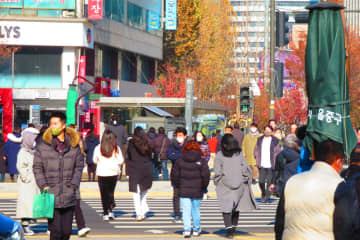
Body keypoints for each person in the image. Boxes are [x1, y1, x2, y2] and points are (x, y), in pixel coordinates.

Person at [275, 140, 360, 240]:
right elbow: (345, 227)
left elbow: (280, 223)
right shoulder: (339, 185)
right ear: (338, 161)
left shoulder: (291, 182)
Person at [33, 112, 84, 240]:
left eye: (55, 124)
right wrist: (43, 185)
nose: (52, 127)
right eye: (51, 124)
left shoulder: (73, 145)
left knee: (66, 232)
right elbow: (37, 167)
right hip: (51, 194)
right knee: (56, 233)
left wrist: (74, 184)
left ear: (63, 125)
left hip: (68, 194)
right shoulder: (43, 145)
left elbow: (79, 166)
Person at [214, 134, 257, 239]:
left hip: (224, 185)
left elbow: (217, 172)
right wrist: (246, 178)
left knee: (226, 208)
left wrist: (217, 181)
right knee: (236, 208)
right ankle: (233, 228)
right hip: (239, 185)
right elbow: (245, 168)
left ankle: (229, 231)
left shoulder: (219, 155)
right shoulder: (239, 154)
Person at [171, 140, 210, 238]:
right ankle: (196, 229)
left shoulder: (180, 160)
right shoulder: (201, 161)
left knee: (186, 210)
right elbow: (206, 176)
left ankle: (187, 229)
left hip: (184, 189)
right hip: (197, 189)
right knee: (195, 210)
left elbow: (174, 175)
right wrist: (204, 187)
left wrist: (178, 186)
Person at [93, 130, 124, 221]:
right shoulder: (116, 148)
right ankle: (110, 211)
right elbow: (121, 160)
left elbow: (95, 160)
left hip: (102, 173)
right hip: (113, 173)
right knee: (110, 193)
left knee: (103, 194)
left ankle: (105, 213)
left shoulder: (98, 148)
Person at [16, 127, 40, 236]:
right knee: (26, 204)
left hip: (33, 182)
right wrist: (27, 178)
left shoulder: (33, 151)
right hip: (27, 182)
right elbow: (21, 167)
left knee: (32, 203)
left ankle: (29, 222)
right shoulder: (23, 152)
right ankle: (25, 225)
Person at [126, 127, 153, 221]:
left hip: (135, 170)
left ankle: (139, 213)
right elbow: (150, 157)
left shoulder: (131, 144)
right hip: (146, 170)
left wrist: (127, 171)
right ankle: (143, 210)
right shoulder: (147, 143)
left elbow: (129, 157)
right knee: (144, 193)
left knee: (136, 194)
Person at [254, 126, 281, 203]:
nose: (267, 131)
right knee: (261, 181)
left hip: (271, 164)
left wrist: (277, 161)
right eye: (266, 130)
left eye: (269, 130)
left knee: (269, 182)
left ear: (272, 132)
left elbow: (278, 151)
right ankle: (263, 192)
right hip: (262, 163)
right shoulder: (260, 140)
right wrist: (256, 157)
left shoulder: (275, 141)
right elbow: (256, 150)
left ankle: (267, 196)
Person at [167, 127, 188, 223]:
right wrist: (182, 155)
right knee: (176, 195)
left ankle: (187, 213)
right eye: (177, 136)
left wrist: (177, 155)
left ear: (185, 136)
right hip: (176, 174)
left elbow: (191, 156)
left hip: (187, 173)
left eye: (180, 135)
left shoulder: (189, 145)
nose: (178, 137)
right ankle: (177, 214)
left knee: (187, 195)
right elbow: (170, 155)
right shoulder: (172, 145)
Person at [194, 131, 210, 199]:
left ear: (203, 136)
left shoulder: (206, 144)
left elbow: (208, 155)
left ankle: (204, 192)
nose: (199, 137)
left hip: (203, 164)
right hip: (195, 164)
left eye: (200, 135)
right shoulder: (193, 144)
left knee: (204, 179)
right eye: (198, 135)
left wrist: (205, 162)